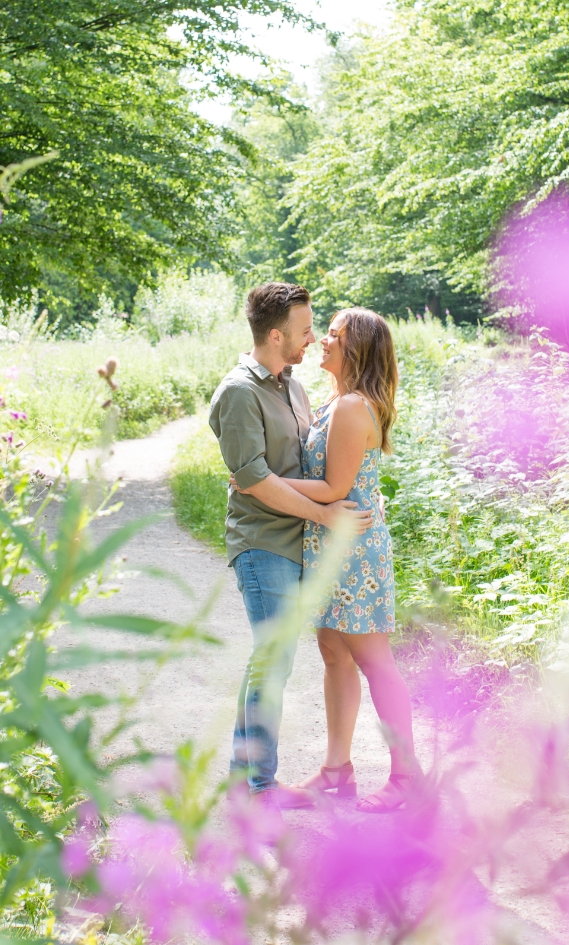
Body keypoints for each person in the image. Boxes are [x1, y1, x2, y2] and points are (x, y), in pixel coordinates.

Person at [237, 307, 419, 812]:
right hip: (330, 544)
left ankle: (407, 776)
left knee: (374, 661)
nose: (322, 341)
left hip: (353, 550)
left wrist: (257, 483)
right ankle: (336, 771)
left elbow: (335, 487)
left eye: (333, 335)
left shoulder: (352, 407)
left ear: (355, 348)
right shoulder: (339, 401)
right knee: (335, 655)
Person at [209, 284, 373, 825]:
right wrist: (325, 514)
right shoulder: (239, 392)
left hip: (296, 542)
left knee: (275, 661)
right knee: (272, 659)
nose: (312, 338)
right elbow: (253, 478)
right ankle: (255, 787)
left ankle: (250, 781)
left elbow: (293, 471)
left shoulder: (293, 388)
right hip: (263, 544)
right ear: (276, 335)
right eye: (305, 330)